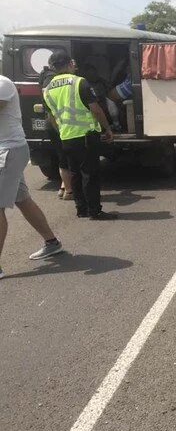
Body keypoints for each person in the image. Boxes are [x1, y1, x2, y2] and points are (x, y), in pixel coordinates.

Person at [0, 74, 64, 279]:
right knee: (23, 200)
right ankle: (51, 242)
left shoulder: (2, 83)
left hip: (8, 151)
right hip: (9, 151)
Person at [43, 51, 117, 220]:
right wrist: (107, 129)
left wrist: (61, 131)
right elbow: (96, 109)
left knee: (74, 173)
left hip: (66, 137)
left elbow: (51, 117)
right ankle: (95, 211)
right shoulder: (79, 82)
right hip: (86, 135)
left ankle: (81, 209)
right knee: (90, 174)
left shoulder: (47, 89)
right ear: (69, 64)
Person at [39, 66, 73, 200]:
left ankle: (64, 187)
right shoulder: (54, 81)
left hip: (53, 123)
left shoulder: (45, 77)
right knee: (67, 157)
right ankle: (69, 190)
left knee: (62, 156)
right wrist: (61, 130)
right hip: (58, 124)